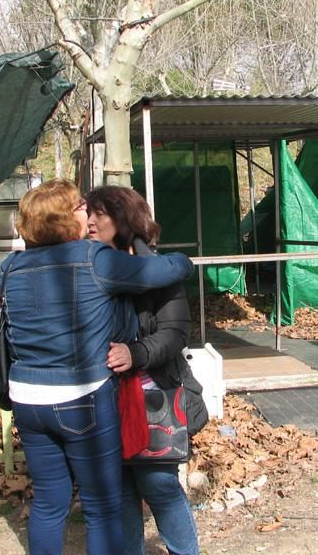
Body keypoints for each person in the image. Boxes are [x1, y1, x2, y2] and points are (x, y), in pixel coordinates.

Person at [0, 179, 194, 555]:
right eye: (79, 207)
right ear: (62, 219)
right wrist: (184, 260)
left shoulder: (11, 266)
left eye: (94, 210)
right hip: (81, 397)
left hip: (26, 399)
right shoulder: (93, 259)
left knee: (48, 503)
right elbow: (164, 271)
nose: (85, 213)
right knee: (103, 505)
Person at [85, 186, 208, 555]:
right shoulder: (86, 265)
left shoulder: (156, 269)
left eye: (99, 214)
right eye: (87, 213)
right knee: (121, 489)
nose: (90, 221)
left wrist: (136, 353)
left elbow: (175, 333)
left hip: (154, 394)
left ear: (122, 219)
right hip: (102, 395)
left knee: (158, 484)